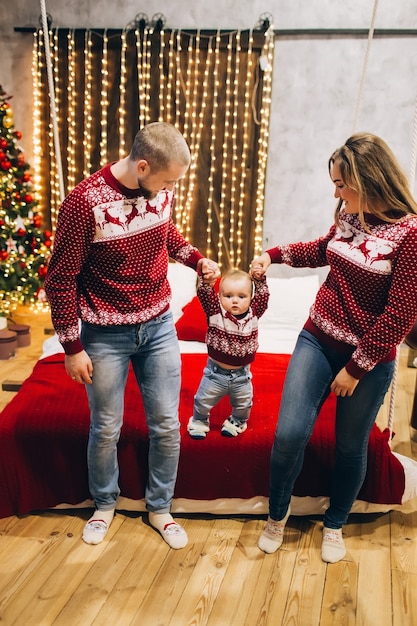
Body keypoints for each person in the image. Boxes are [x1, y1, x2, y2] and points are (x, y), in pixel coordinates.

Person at [44, 122, 219, 549]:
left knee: (167, 424)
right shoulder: (84, 203)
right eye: (167, 180)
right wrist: (72, 347)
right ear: (142, 166)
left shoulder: (159, 189)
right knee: (105, 427)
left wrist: (196, 259)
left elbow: (166, 236)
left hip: (159, 325)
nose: (169, 189)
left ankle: (160, 509)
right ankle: (104, 504)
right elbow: (60, 279)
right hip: (104, 333)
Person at [251, 132, 417, 563]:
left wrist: (356, 369)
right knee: (288, 435)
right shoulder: (349, 213)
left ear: (370, 181)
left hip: (368, 359)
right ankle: (277, 516)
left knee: (350, 446)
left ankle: (335, 524)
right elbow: (324, 250)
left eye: (343, 184)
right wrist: (275, 254)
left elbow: (399, 316)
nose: (337, 194)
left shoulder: (410, 236)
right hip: (318, 337)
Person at [187, 268, 269, 439]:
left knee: (244, 404)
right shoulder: (215, 313)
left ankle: (237, 421)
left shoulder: (254, 314)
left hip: (242, 375)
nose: (234, 301)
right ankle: (199, 421)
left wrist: (259, 280)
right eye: (228, 296)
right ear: (219, 297)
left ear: (251, 298)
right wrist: (206, 279)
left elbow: (263, 296)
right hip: (215, 373)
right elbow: (204, 293)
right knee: (202, 400)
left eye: (241, 296)